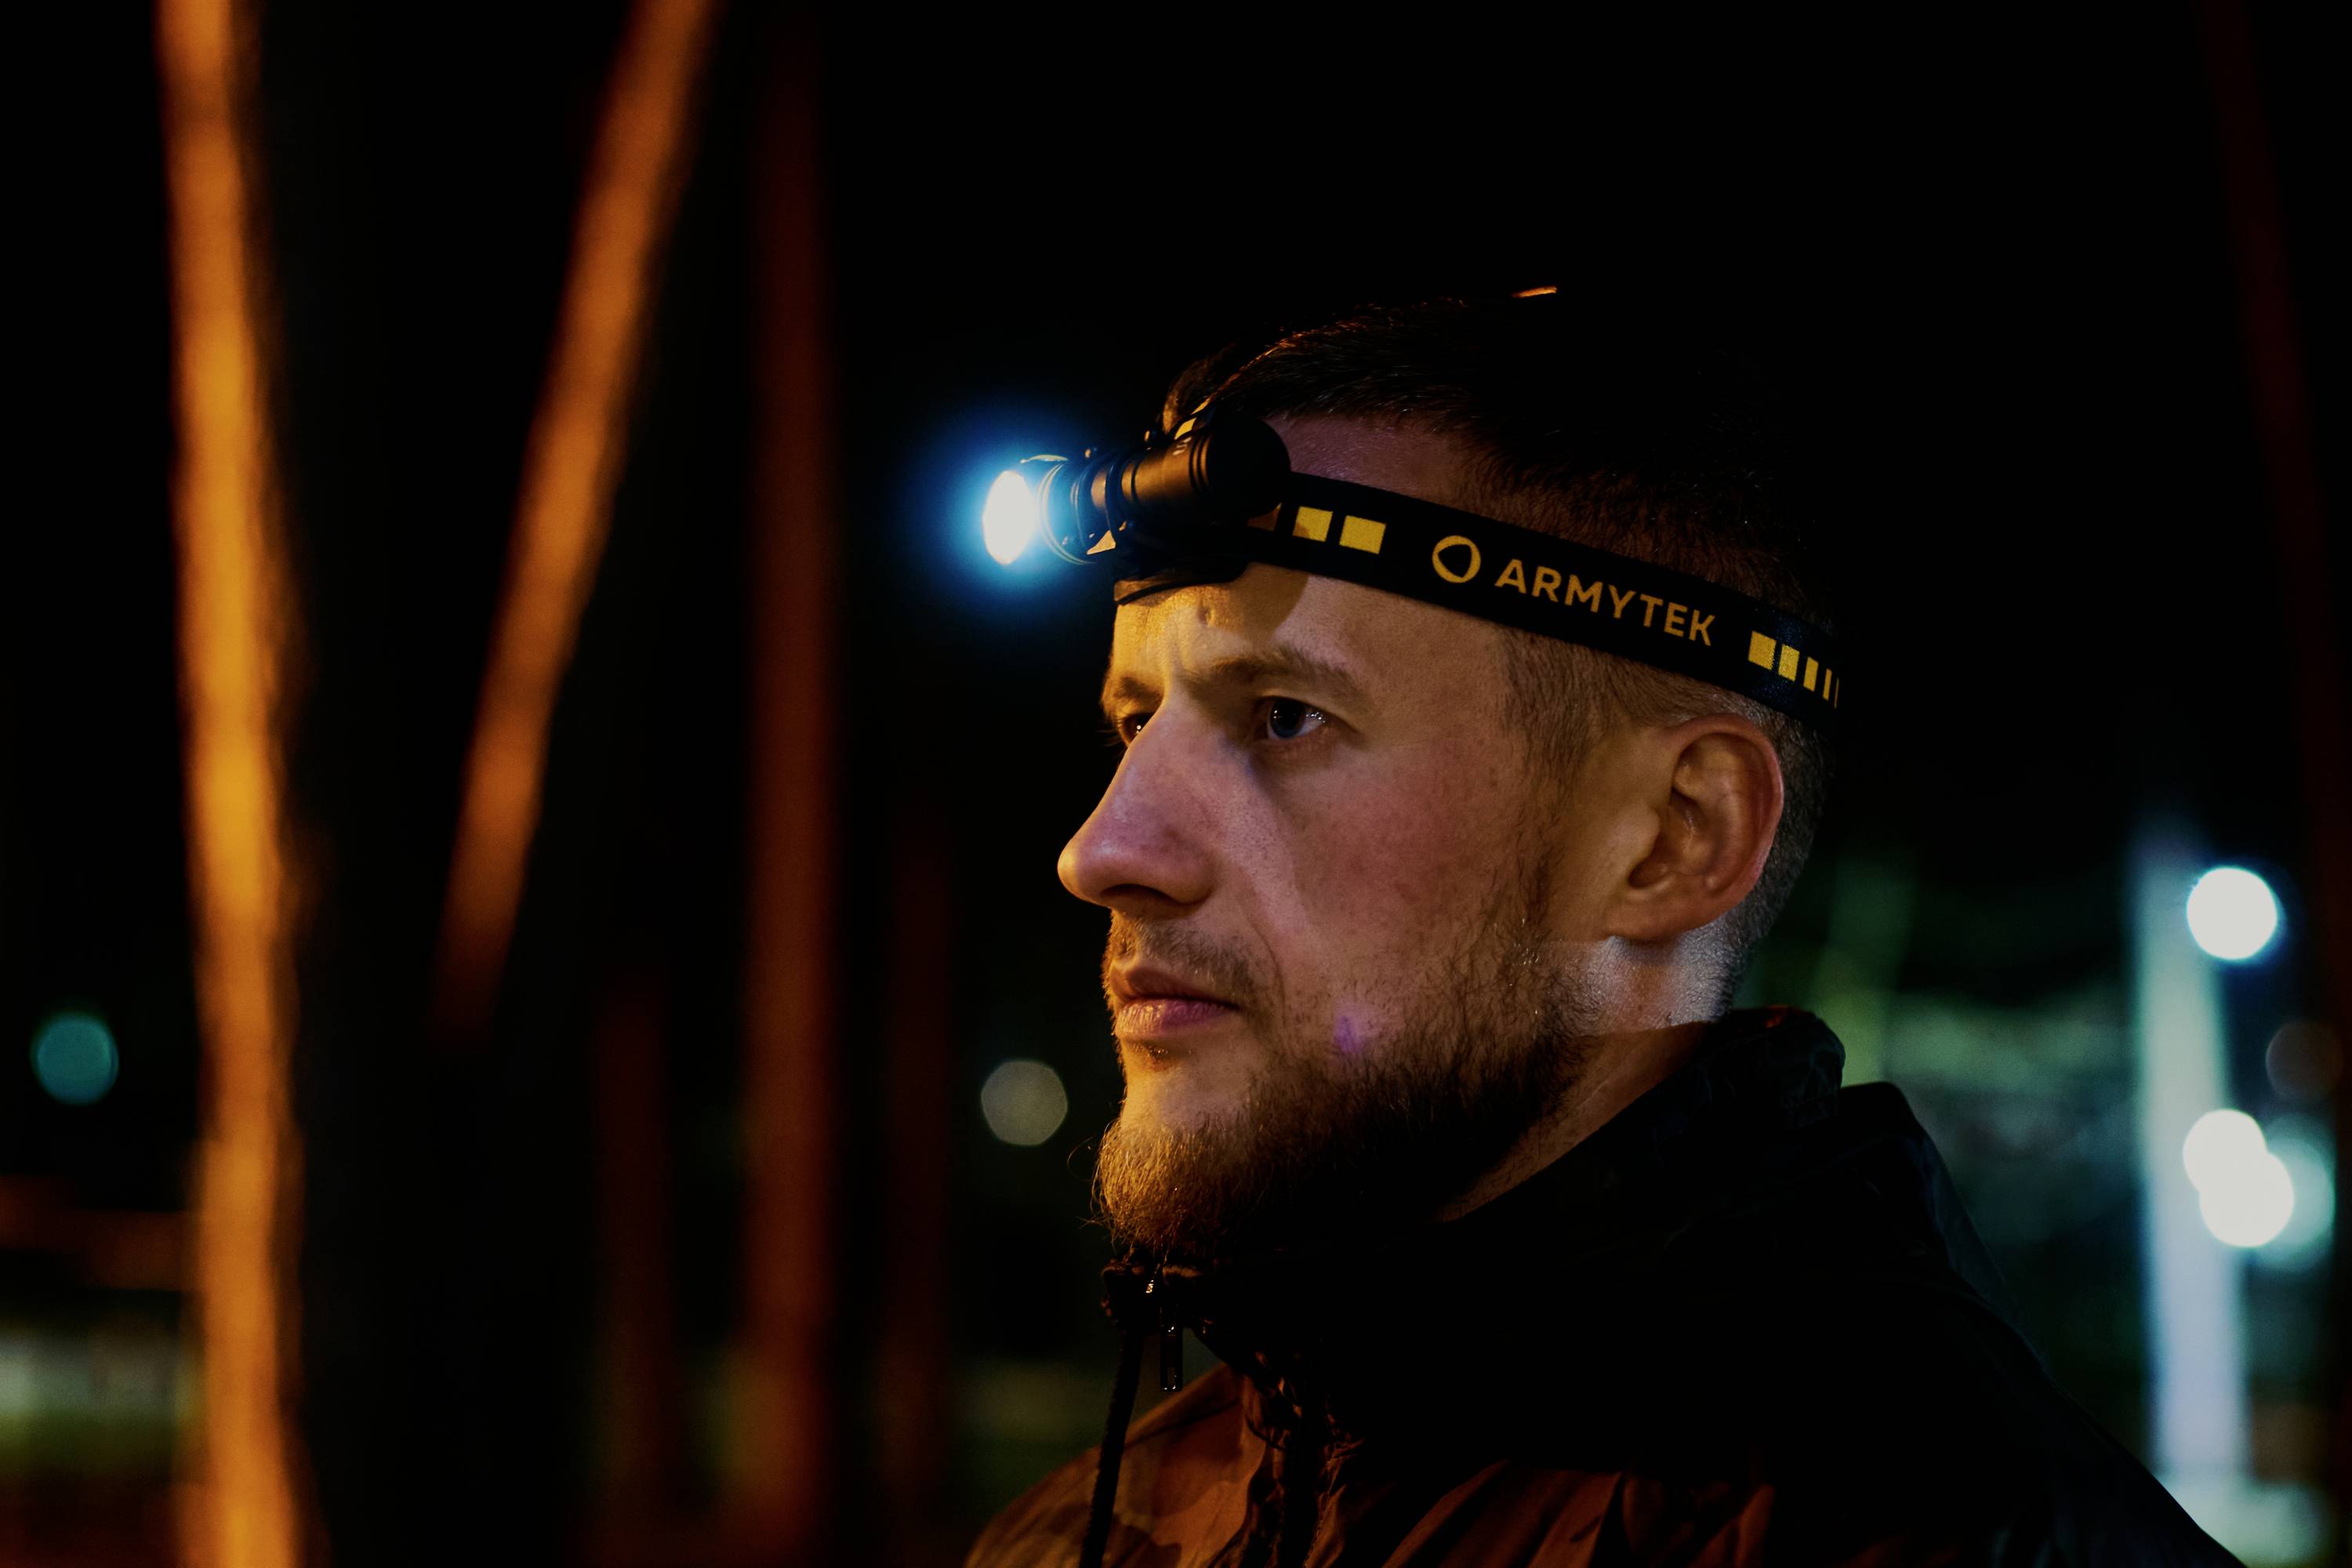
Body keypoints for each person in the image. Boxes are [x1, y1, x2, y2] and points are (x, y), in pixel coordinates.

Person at [966, 299, 2237, 1567]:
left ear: (1673, 836)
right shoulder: (1082, 1532)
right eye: (1138, 725)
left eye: (1285, 717)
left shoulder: (1953, 1534)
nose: (1104, 851)